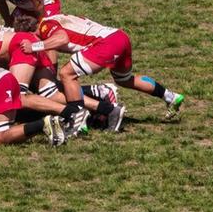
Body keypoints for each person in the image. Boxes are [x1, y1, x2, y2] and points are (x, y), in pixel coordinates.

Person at [22, 13, 186, 130]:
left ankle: (77, 120)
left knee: (67, 74)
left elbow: (62, 38)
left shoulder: (45, 27)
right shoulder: (55, 17)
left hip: (105, 44)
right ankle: (171, 97)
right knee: (125, 79)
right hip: (119, 37)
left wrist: (34, 46)